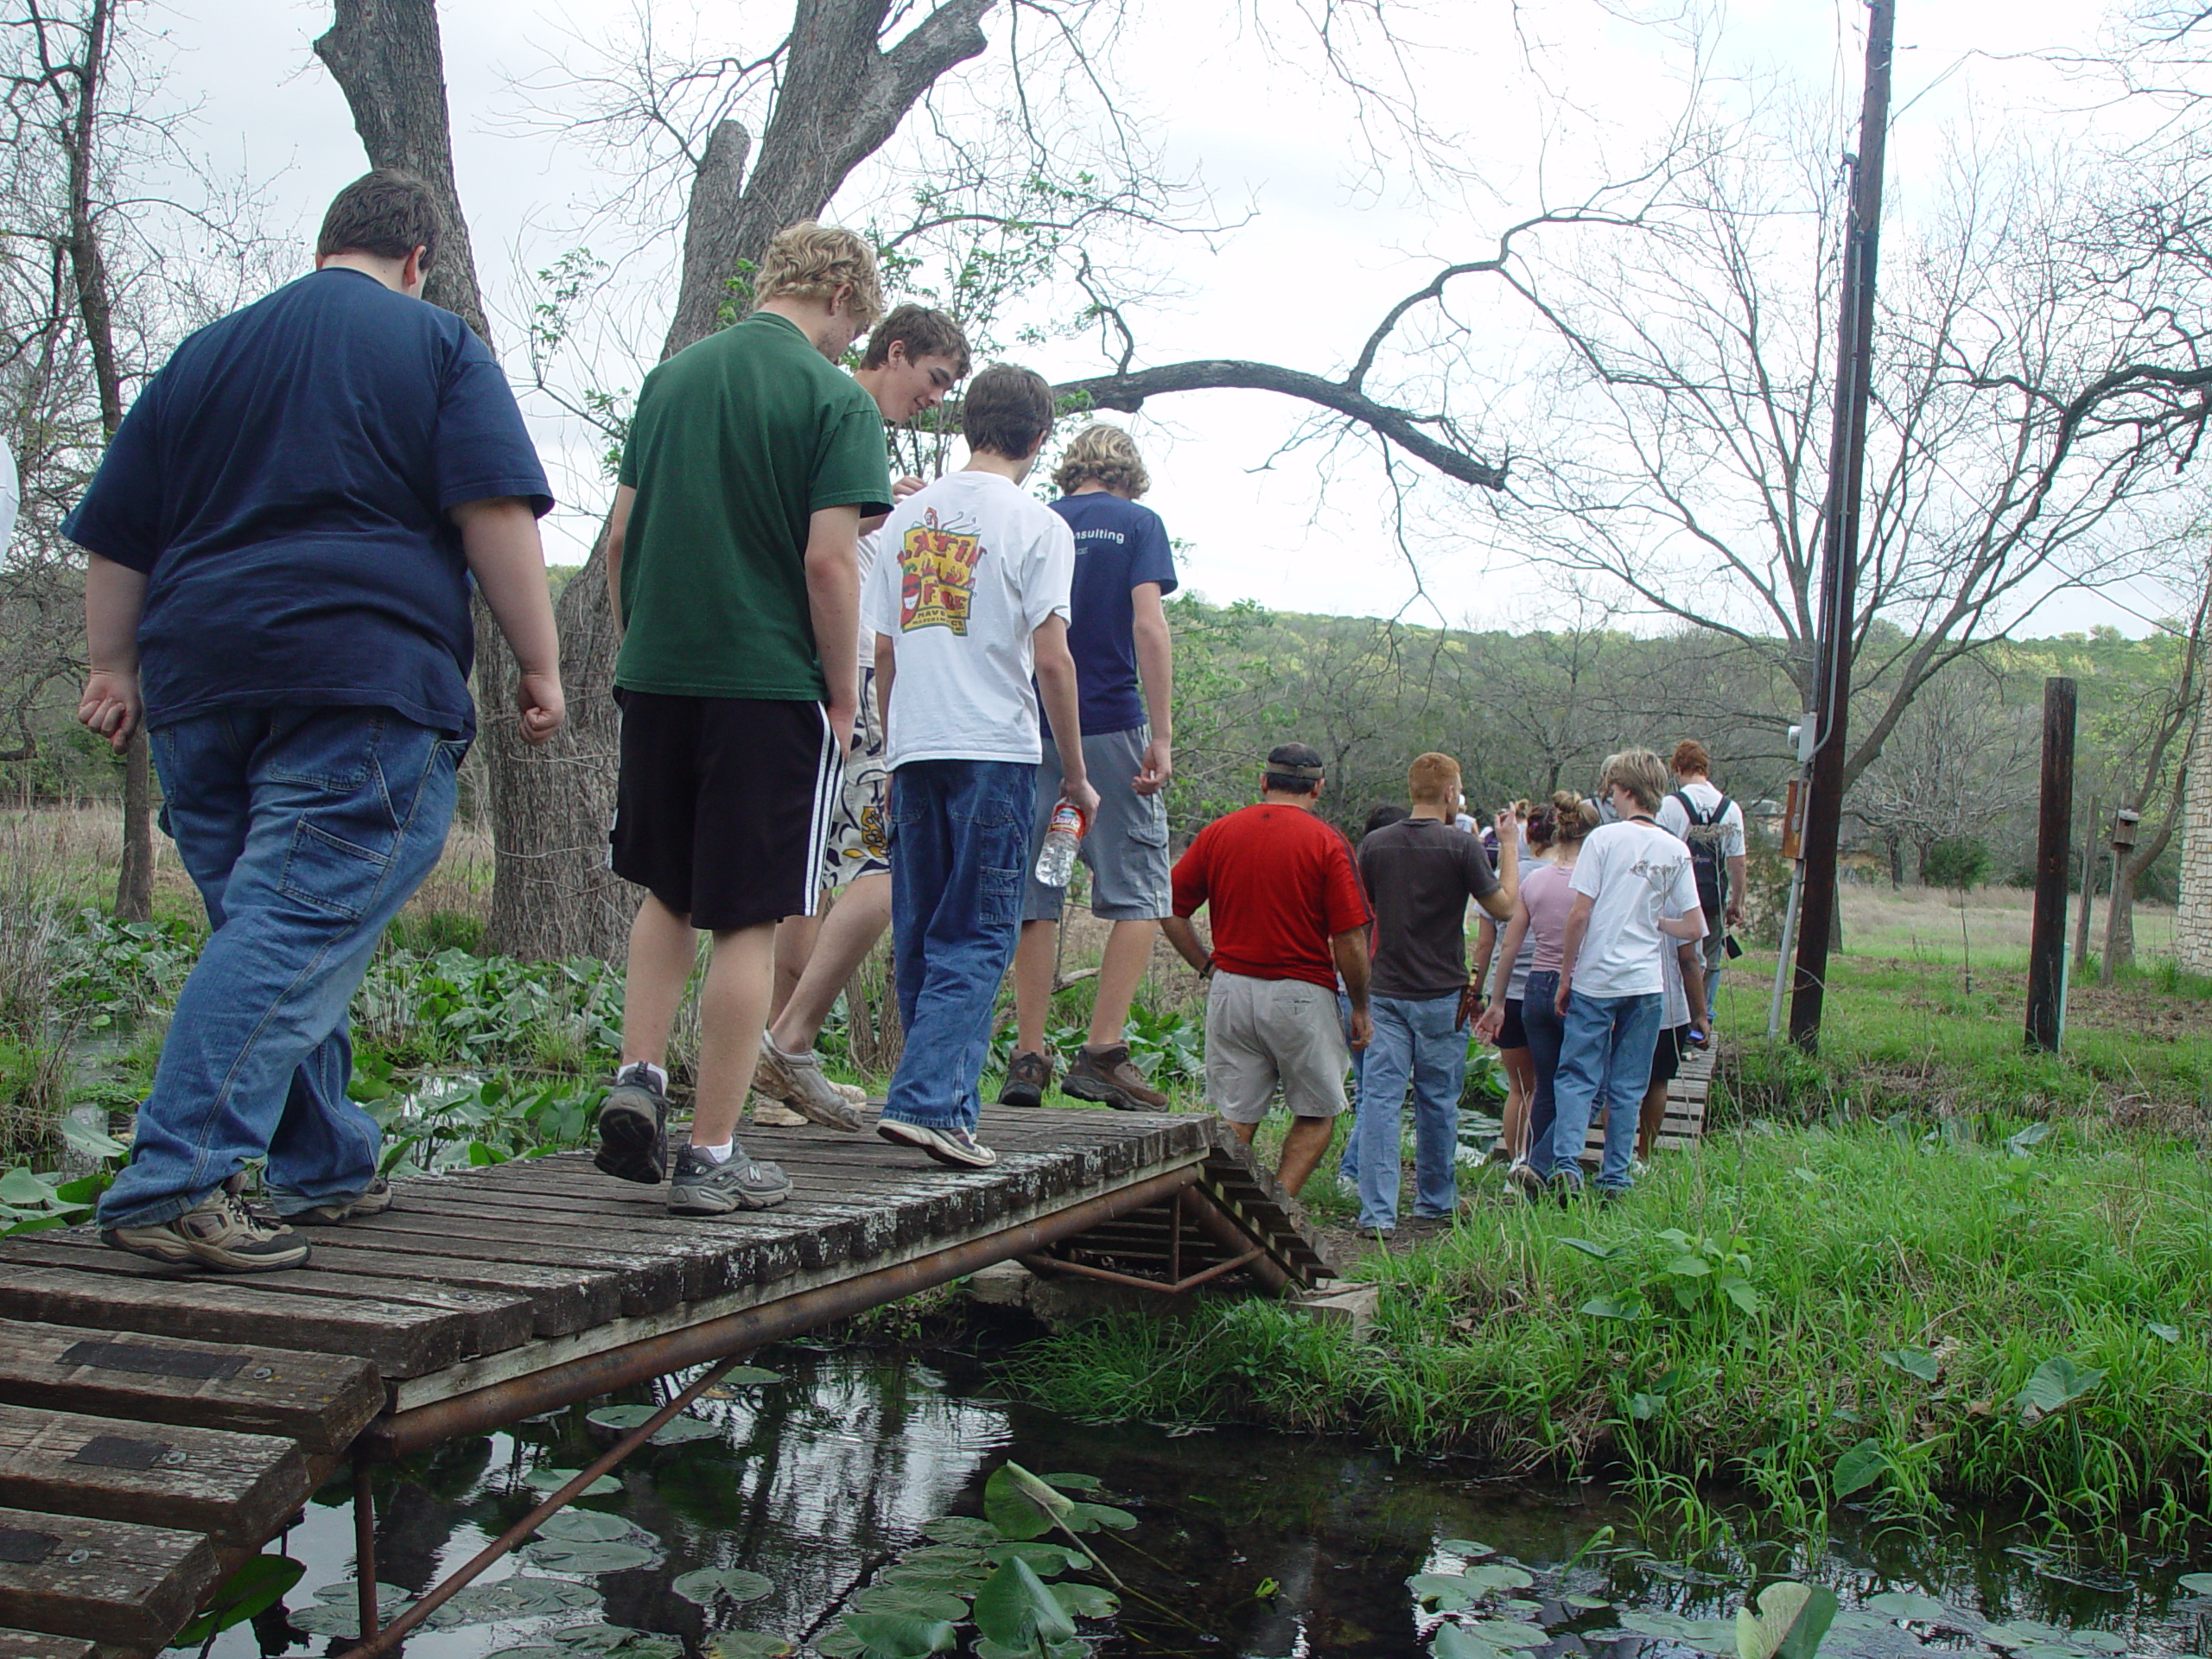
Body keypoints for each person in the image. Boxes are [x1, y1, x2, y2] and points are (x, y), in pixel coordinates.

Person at [67, 170, 564, 1271]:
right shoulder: (435, 345)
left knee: (269, 921)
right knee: (293, 928)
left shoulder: (203, 354)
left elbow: (119, 531)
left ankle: (324, 1164)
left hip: (198, 678)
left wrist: (113, 667)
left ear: (326, 243)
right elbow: (491, 508)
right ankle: (175, 1180)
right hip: (359, 671)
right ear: (418, 260)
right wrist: (540, 661)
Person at [594, 221, 892, 1216]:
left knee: (668, 893)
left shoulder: (671, 380)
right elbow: (826, 561)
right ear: (844, 295)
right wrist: (842, 691)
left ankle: (637, 1076)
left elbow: (623, 536)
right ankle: (713, 1153)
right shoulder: (834, 398)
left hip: (660, 673)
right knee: (749, 917)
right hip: (768, 686)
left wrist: (640, 645)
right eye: (859, 323)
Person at [863, 364, 1094, 1168]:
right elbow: (1053, 659)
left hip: (917, 742)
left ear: (968, 426)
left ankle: (950, 1112)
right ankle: (923, 1099)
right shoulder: (1039, 525)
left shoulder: (902, 519)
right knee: (980, 930)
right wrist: (1074, 770)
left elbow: (886, 652)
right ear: (1039, 437)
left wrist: (894, 748)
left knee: (924, 930)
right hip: (994, 745)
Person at [753, 305, 973, 1130]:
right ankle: (786, 1044)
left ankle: (774, 1065)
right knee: (888, 862)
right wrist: (887, 506)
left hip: (821, 672)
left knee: (808, 871)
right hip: (852, 674)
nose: (934, 397)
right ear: (896, 351)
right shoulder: (844, 414)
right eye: (934, 378)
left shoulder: (835, 419)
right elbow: (821, 540)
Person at [1003, 424, 1179, 1111]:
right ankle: (1103, 1051)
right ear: (1129, 474)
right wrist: (1160, 735)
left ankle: (1027, 1056)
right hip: (1108, 721)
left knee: (1035, 893)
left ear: (1071, 469)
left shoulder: (1035, 519)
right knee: (1141, 890)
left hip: (1028, 720)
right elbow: (1148, 626)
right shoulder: (1138, 523)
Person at [1160, 743, 1372, 1198]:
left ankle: (1222, 1213)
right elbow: (1351, 939)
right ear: (1317, 788)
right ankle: (1278, 1208)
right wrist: (1360, 1006)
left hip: (1231, 990)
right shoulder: (1327, 842)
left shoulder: (1219, 832)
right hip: (1301, 993)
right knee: (1317, 1112)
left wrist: (1205, 965)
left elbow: (1169, 909)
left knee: (1237, 1114)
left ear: (1264, 783)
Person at [1351, 753, 1517, 1236]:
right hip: (1443, 994)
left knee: (1379, 1100)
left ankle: (1377, 1214)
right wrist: (1507, 846)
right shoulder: (1462, 846)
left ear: (1412, 791)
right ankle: (1435, 1202)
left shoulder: (1375, 845)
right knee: (1438, 1100)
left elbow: (1360, 919)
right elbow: (1503, 908)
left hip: (1384, 989)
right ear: (1451, 794)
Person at [1535, 750, 1706, 1200]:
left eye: (1612, 790)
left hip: (1596, 977)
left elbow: (1579, 914)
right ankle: (1615, 1176)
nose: (1610, 797)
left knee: (1577, 1076)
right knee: (1630, 1083)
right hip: (1646, 983)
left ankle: (1567, 1165)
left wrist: (1567, 973)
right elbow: (1693, 926)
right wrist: (1656, 924)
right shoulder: (1675, 848)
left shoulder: (1604, 841)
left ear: (1625, 792)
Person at [1482, 793, 1597, 1192]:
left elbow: (1508, 945)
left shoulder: (1533, 881)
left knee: (1538, 1086)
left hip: (1532, 990)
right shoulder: (1594, 883)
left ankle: (1526, 1163)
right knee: (1587, 1082)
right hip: (1581, 988)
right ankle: (1559, 1162)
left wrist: (1496, 1001)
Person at [1471, 804, 1557, 1171]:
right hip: (1556, 991)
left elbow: (1485, 944)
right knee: (1554, 1087)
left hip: (1510, 995)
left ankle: (1516, 1161)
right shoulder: (1575, 874)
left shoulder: (1506, 878)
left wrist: (1477, 990)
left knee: (1520, 1088)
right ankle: (1546, 1162)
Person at [1337, 802, 1408, 1192]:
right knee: (1375, 1092)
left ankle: (1356, 1167)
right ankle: (1352, 1172)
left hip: (1342, 988)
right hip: (1369, 993)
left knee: (1368, 1088)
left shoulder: (1351, 877)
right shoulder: (1383, 887)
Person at [1656, 740, 1746, 997]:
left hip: (1675, 900)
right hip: (1712, 897)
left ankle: (1680, 1020)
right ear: (1705, 769)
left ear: (1678, 768)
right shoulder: (1730, 809)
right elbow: (1737, 861)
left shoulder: (1670, 805)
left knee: (1676, 960)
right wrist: (1736, 902)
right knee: (1711, 963)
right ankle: (1703, 1021)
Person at [1637, 907, 1710, 1164]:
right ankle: (1643, 1157)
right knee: (1658, 1083)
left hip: (1620, 998)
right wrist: (1700, 1013)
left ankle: (1616, 1156)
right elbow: (1690, 960)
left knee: (1616, 1084)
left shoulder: (1618, 875)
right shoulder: (1680, 888)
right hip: (1669, 1005)